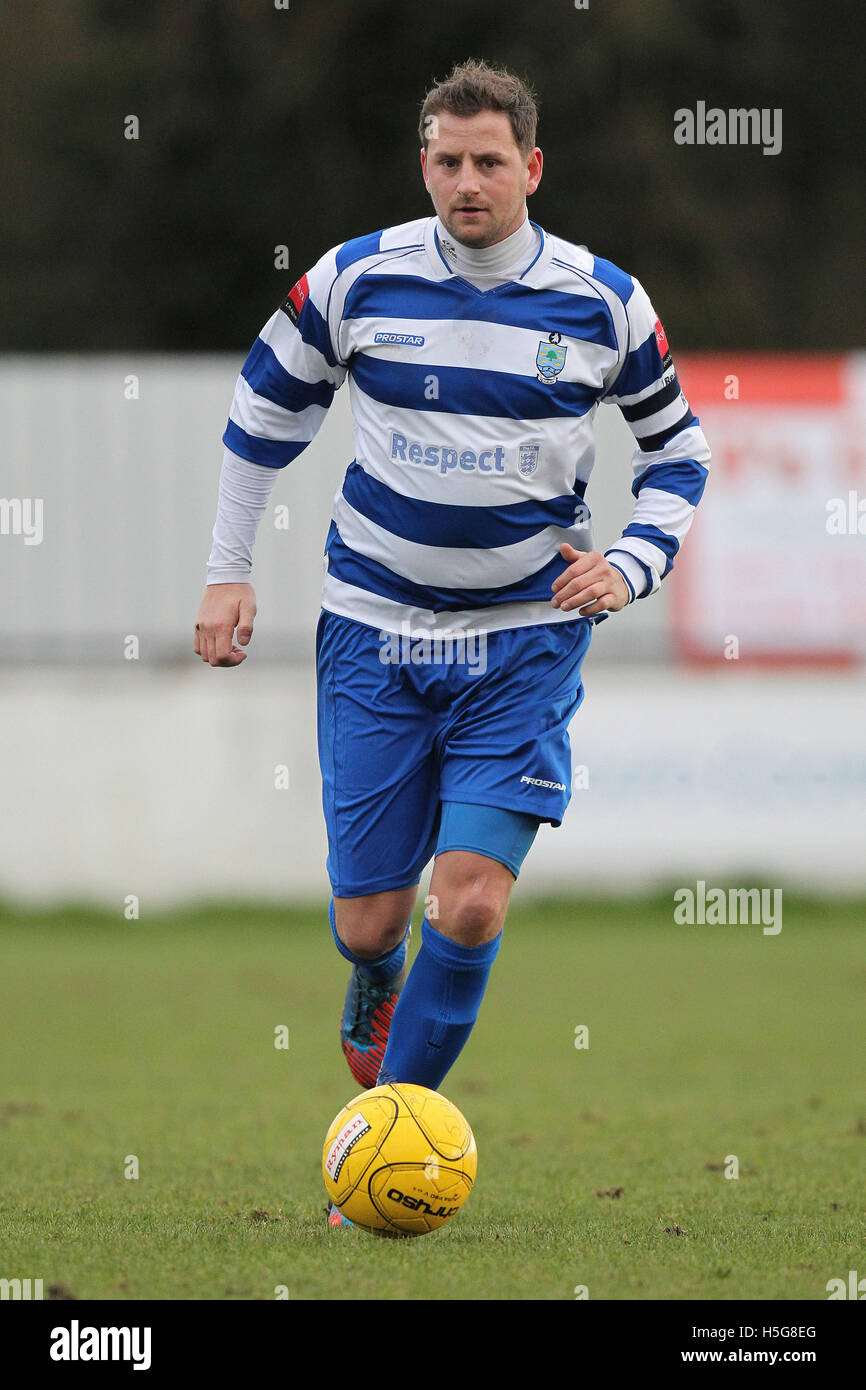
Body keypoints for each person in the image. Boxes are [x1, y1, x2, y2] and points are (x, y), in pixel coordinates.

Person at [194, 59, 710, 1223]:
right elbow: (257, 422)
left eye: (488, 161)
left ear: (531, 167)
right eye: (445, 159)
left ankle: (384, 1154)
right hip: (373, 634)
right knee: (371, 919)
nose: (465, 180)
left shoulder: (600, 300)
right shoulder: (354, 279)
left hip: (523, 645)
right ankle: (375, 977)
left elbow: (678, 453)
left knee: (468, 902)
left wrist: (628, 564)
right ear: (420, 162)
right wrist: (228, 572)